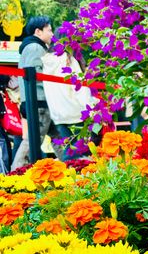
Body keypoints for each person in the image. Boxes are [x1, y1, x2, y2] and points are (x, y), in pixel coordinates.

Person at [11, 16, 63, 169]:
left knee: (59, 136)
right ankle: (16, 171)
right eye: (49, 30)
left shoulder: (31, 47)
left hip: (40, 100)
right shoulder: (35, 48)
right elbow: (36, 76)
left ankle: (74, 163)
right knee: (33, 140)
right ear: (38, 31)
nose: (52, 34)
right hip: (40, 101)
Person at [42, 28, 97, 159]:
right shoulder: (69, 60)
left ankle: (68, 175)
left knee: (70, 150)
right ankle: (72, 177)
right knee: (78, 154)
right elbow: (79, 88)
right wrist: (90, 109)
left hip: (59, 114)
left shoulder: (47, 62)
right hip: (76, 112)